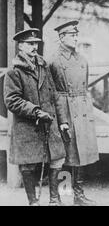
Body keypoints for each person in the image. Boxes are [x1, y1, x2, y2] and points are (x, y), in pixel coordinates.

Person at [3, 28, 68, 206]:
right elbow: (12, 101)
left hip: (50, 124)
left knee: (58, 159)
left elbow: (55, 95)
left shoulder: (44, 66)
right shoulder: (14, 72)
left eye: (36, 43)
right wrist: (36, 111)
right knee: (28, 164)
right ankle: (33, 202)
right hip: (27, 126)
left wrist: (63, 122)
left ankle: (55, 200)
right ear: (20, 46)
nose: (34, 46)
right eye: (30, 44)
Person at [47, 20, 99, 206]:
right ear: (62, 37)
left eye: (76, 35)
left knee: (80, 154)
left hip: (82, 110)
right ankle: (61, 196)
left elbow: (84, 88)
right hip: (65, 110)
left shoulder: (82, 59)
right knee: (65, 155)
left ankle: (78, 196)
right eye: (72, 35)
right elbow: (53, 93)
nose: (76, 38)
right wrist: (61, 119)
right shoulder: (54, 60)